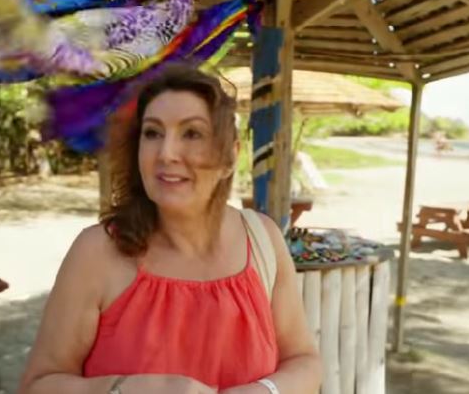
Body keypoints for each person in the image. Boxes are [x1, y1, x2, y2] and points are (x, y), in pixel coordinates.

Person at [18, 64, 321, 394]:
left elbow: (304, 361)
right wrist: (126, 390)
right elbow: (38, 385)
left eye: (192, 133)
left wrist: (264, 391)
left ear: (230, 157)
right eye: (153, 133)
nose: (166, 153)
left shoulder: (263, 241)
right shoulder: (97, 253)